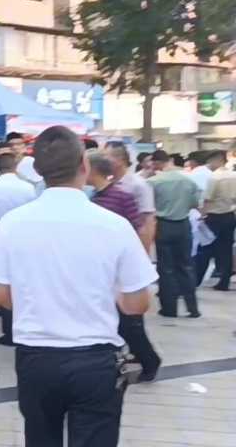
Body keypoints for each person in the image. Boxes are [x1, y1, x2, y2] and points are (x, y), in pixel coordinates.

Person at [0, 126, 158, 447]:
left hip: (35, 358)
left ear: (37, 170)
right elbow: (137, 303)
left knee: (41, 438)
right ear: (85, 166)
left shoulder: (13, 223)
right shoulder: (114, 226)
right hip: (95, 361)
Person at [88, 151, 162, 382]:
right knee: (118, 317)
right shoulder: (94, 198)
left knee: (130, 319)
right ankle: (127, 355)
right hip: (105, 266)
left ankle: (149, 359)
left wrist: (138, 260)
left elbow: (138, 228)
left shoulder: (121, 196)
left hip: (121, 266)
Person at [0, 153, 37, 347]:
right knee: (24, 282)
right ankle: (25, 324)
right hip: (25, 239)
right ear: (15, 167)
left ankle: (9, 331)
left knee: (2, 282)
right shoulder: (28, 188)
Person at [147, 149, 200, 318]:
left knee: (166, 268)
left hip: (163, 225)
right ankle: (193, 308)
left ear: (156, 163)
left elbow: (149, 206)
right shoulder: (189, 181)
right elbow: (194, 204)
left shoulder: (153, 182)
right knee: (185, 266)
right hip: (183, 225)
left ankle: (169, 309)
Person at [105, 142, 157, 253]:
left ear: (120, 160)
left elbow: (148, 220)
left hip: (132, 244)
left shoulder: (138, 185)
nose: (103, 161)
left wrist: (144, 252)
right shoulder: (108, 183)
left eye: (106, 156)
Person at [198, 149, 236, 290]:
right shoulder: (233, 176)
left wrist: (202, 215)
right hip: (230, 217)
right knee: (225, 250)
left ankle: (195, 281)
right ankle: (224, 282)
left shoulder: (215, 177)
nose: (209, 164)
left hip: (214, 218)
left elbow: (208, 198)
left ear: (217, 160)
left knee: (205, 249)